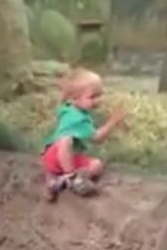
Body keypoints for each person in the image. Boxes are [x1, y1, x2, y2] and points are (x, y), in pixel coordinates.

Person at [41, 67, 126, 202]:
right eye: (93, 96)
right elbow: (97, 138)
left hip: (50, 159)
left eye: (100, 95)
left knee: (91, 161)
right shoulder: (78, 119)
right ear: (75, 99)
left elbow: (64, 102)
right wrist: (113, 122)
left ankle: (54, 180)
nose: (98, 100)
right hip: (60, 156)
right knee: (70, 143)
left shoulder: (66, 108)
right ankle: (72, 179)